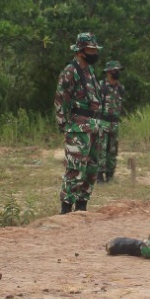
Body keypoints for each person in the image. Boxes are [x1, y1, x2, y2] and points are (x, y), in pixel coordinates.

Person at [53, 32, 106, 213]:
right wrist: (64, 124)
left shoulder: (89, 71)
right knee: (75, 170)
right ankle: (66, 209)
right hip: (77, 128)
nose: (94, 53)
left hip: (94, 126)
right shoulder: (70, 71)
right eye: (91, 49)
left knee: (91, 169)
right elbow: (61, 99)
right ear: (80, 51)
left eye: (94, 49)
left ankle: (82, 206)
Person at [99, 60, 125, 183]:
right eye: (115, 70)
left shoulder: (120, 88)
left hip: (115, 124)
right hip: (102, 122)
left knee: (113, 151)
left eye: (118, 71)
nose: (117, 73)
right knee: (101, 150)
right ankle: (99, 176)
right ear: (108, 72)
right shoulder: (100, 87)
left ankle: (110, 175)